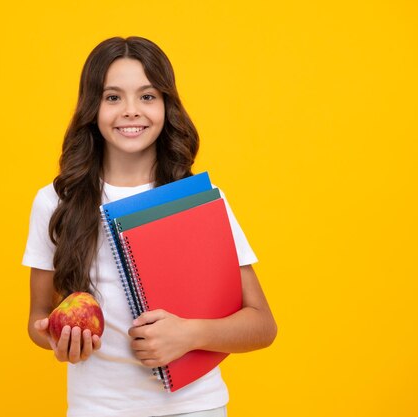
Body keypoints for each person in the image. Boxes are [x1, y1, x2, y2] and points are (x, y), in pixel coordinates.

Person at [23, 36, 277, 417]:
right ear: (92, 108)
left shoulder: (199, 198)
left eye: (147, 96)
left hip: (195, 407)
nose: (130, 111)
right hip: (97, 409)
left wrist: (190, 335)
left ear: (166, 105)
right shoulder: (56, 201)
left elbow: (262, 325)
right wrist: (59, 339)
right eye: (113, 97)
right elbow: (37, 318)